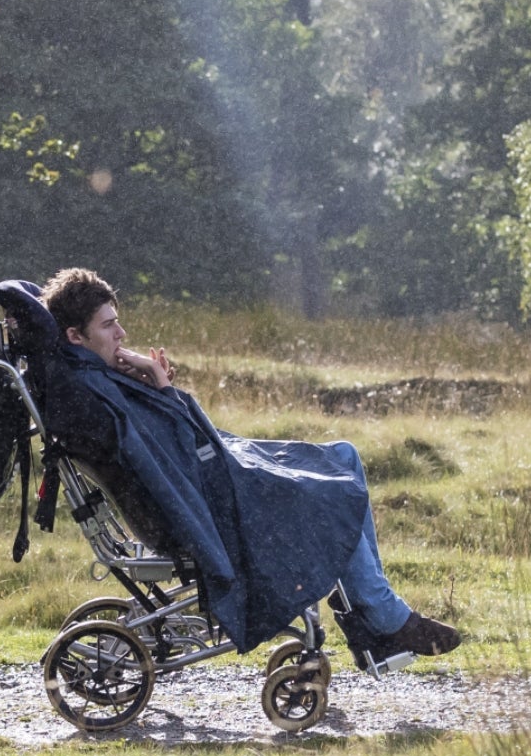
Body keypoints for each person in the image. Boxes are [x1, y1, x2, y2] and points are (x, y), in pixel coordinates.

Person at [41, 267, 463, 673]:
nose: (122, 334)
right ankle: (383, 621)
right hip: (212, 503)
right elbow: (177, 454)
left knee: (344, 456)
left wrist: (155, 388)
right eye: (108, 325)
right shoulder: (90, 392)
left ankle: (370, 615)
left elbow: (170, 446)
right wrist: (161, 385)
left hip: (217, 479)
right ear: (75, 336)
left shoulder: (96, 376)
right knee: (328, 491)